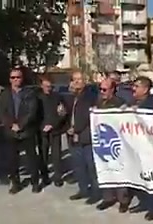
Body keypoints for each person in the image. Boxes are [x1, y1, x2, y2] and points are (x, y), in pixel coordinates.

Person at [125, 76, 153, 221]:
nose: (133, 88)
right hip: (137, 146)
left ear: (145, 89)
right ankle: (143, 202)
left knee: (152, 177)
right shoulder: (133, 102)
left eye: (136, 86)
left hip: (151, 149)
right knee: (139, 176)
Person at [0, 67, 42, 194]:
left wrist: (21, 125)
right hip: (11, 132)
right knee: (12, 160)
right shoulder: (5, 94)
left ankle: (35, 182)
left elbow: (31, 112)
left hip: (27, 131)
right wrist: (11, 124)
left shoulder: (29, 93)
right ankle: (16, 184)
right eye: (13, 77)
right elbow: (2, 112)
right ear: (9, 79)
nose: (16, 80)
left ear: (22, 78)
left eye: (18, 77)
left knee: (31, 159)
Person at [94, 78, 130, 213]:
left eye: (104, 89)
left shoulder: (119, 103)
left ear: (112, 90)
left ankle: (123, 200)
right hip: (102, 142)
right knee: (104, 170)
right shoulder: (99, 102)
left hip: (116, 142)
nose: (102, 92)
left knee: (119, 172)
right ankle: (108, 198)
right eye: (100, 89)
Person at [66, 71, 100, 204]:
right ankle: (83, 190)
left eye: (79, 79)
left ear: (84, 81)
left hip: (86, 136)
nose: (77, 82)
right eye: (74, 79)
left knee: (91, 166)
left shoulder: (89, 95)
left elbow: (86, 115)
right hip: (73, 137)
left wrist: (76, 128)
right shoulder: (72, 96)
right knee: (78, 166)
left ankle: (96, 193)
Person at [37, 74, 66, 187]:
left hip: (55, 130)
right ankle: (45, 177)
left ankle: (58, 177)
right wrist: (42, 127)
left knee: (56, 155)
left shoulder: (57, 97)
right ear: (41, 86)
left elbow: (62, 113)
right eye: (45, 86)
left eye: (49, 86)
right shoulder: (37, 97)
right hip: (42, 130)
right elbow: (34, 114)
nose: (48, 89)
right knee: (43, 155)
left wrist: (53, 124)